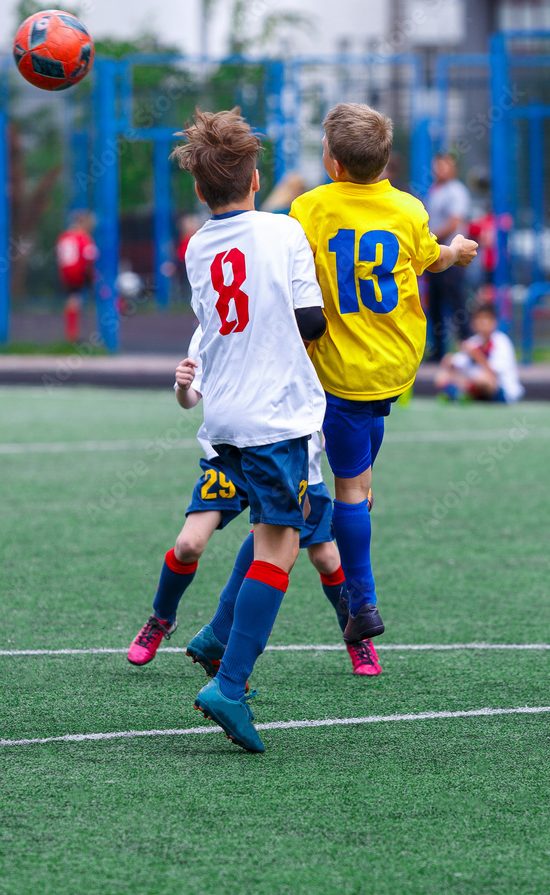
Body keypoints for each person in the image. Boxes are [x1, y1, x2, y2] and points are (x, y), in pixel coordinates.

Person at [289, 103, 477, 648]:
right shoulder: (408, 209)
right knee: (363, 481)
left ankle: (363, 600)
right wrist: (456, 250)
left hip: (341, 372)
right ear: (385, 158)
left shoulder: (310, 207)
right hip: (395, 367)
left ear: (333, 162)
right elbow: (429, 259)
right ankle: (354, 510)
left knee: (350, 489)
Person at [170, 107, 328, 752]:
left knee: (279, 522)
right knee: (280, 549)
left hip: (226, 415)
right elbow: (310, 322)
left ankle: (212, 637)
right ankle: (229, 686)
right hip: (275, 415)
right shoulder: (285, 232)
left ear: (201, 191)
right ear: (257, 178)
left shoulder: (197, 246)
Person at [127, 328, 380, 678]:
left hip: (290, 461)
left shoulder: (301, 322)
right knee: (188, 544)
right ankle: (162, 619)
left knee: (324, 557)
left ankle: (357, 636)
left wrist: (356, 484)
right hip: (229, 456)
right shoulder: (216, 317)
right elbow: (191, 397)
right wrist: (184, 387)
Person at [424, 152, 472, 361]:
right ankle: (439, 350)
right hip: (436, 254)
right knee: (435, 304)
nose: (440, 169)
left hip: (453, 257)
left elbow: (455, 222)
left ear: (454, 169)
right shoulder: (435, 191)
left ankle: (468, 347)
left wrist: (430, 236)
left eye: (445, 165)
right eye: (438, 165)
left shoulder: (456, 191)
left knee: (456, 303)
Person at [435, 302, 524, 404]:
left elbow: (493, 374)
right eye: (479, 320)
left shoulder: (501, 342)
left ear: (494, 322)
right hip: (476, 384)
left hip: (502, 391)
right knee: (442, 375)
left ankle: (457, 395)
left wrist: (476, 355)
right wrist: (450, 362)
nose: (482, 324)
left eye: (486, 320)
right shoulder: (473, 341)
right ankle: (460, 396)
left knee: (483, 380)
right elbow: (458, 363)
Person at [55, 210, 98, 343]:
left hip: (65, 272)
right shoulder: (83, 238)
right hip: (79, 271)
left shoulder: (64, 236)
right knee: (78, 299)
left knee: (72, 300)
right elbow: (90, 256)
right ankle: (73, 335)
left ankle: (72, 332)